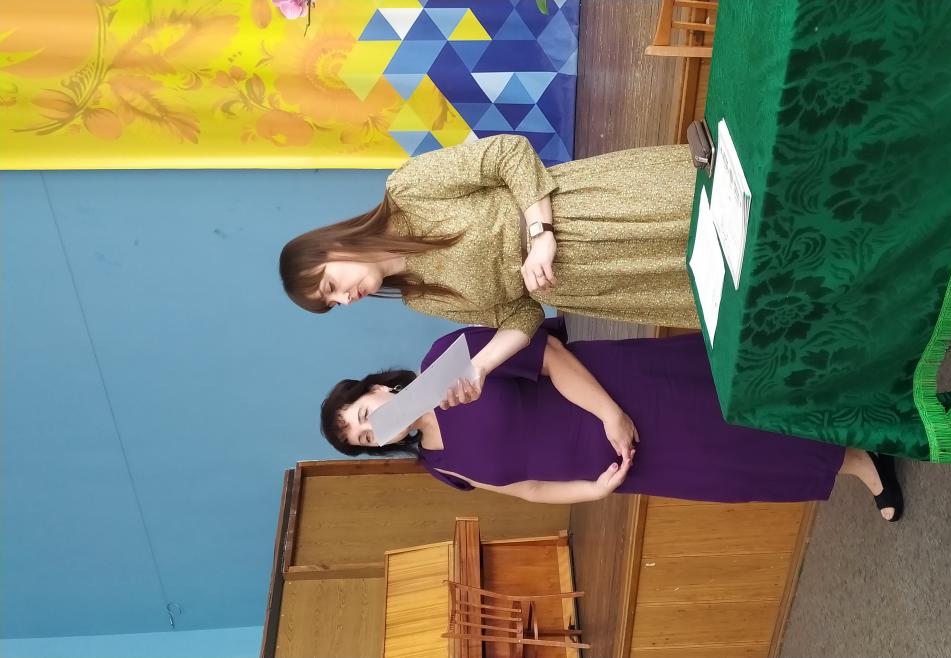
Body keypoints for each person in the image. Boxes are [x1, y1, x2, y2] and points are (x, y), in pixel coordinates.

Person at [318, 319, 904, 521]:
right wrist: (595, 492)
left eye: (366, 415)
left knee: (733, 398)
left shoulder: (444, 361)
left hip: (619, 394)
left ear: (378, 387)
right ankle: (856, 459)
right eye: (367, 439)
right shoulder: (439, 466)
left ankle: (861, 382)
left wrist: (611, 414)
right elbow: (526, 489)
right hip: (623, 464)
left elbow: (550, 356)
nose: (376, 430)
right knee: (735, 468)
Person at [280, 134, 700, 389]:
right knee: (716, 284)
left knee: (712, 209)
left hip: (587, 212)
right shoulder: (420, 298)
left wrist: (541, 234)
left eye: (331, 286)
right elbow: (522, 313)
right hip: (596, 284)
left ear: (333, 247)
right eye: (334, 304)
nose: (345, 299)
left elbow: (507, 153)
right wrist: (480, 366)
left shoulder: (407, 190)